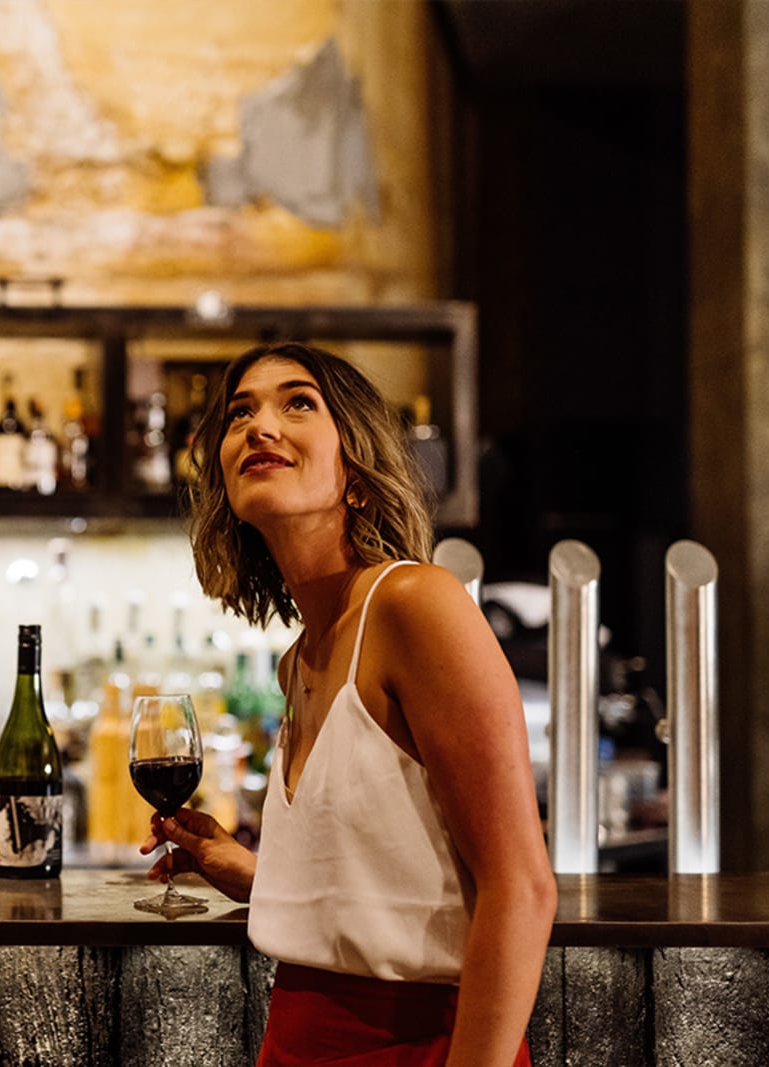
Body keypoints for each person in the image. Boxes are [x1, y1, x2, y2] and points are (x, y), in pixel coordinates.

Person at [144, 342, 554, 1066]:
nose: (259, 425)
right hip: (298, 1043)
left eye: (297, 403)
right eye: (240, 412)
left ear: (358, 476)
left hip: (419, 1047)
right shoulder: (297, 659)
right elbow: (381, 883)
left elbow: (519, 886)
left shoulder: (416, 603)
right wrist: (250, 870)